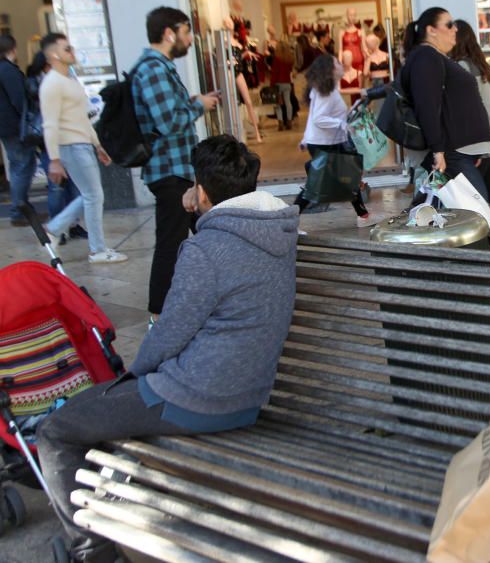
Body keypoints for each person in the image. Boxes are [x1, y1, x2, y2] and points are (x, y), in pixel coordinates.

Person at [36, 134, 298, 563]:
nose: (188, 194)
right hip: (248, 398)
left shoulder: (205, 250)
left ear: (204, 192)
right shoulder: (278, 232)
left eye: (193, 186)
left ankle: (94, 551)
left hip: (194, 398)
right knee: (102, 408)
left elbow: (169, 335)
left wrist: (135, 374)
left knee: (56, 430)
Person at [132, 6, 221, 322]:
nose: (190, 39)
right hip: (168, 171)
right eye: (186, 31)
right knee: (172, 243)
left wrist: (194, 101)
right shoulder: (153, 70)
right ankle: (158, 315)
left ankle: (222, 291)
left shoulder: (159, 68)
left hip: (176, 169)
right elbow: (169, 122)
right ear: (169, 34)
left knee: (209, 229)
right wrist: (199, 106)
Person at [36, 33, 126, 264]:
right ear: (54, 54)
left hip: (82, 144)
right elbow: (50, 123)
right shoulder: (52, 83)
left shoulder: (70, 80)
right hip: (70, 146)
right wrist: (54, 159)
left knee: (91, 195)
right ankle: (96, 249)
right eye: (68, 49)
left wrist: (97, 145)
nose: (73, 52)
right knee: (93, 195)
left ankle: (55, 229)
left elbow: (82, 117)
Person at [400, 7, 490, 200]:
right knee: (477, 209)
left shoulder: (434, 57)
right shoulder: (426, 57)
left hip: (457, 151)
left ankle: (414, 222)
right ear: (431, 30)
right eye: (449, 25)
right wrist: (438, 152)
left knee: (450, 207)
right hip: (450, 152)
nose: (455, 29)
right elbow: (428, 105)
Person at [293, 53, 382, 228]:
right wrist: (342, 125)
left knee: (347, 178)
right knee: (320, 184)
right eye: (338, 63)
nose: (342, 66)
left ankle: (363, 215)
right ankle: (289, 218)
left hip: (324, 142)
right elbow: (318, 118)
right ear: (331, 69)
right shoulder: (327, 91)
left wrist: (305, 138)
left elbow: (313, 117)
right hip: (325, 143)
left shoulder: (324, 88)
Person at [450, 20, 490, 219]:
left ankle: (482, 232)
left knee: (475, 196)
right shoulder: (484, 66)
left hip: (476, 138)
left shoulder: (460, 67)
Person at [24, 50, 85, 244]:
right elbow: (48, 119)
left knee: (77, 187)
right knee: (57, 187)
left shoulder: (62, 81)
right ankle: (56, 228)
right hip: (50, 142)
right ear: (47, 64)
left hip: (67, 139)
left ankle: (71, 226)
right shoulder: (42, 84)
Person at [0, 34, 33, 227]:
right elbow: (19, 100)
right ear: (12, 48)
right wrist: (29, 121)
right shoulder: (8, 70)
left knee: (16, 166)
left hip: (6, 128)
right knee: (22, 166)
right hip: (15, 127)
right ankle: (19, 211)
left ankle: (20, 207)